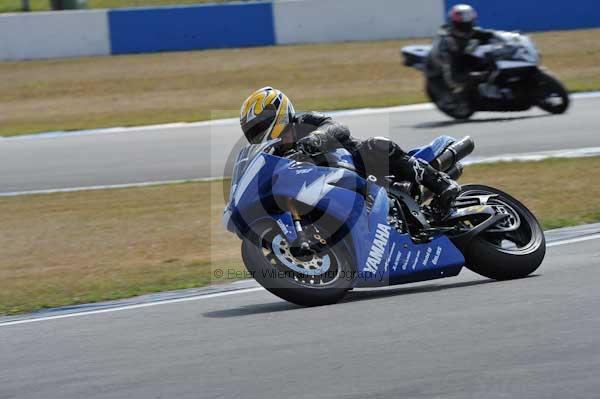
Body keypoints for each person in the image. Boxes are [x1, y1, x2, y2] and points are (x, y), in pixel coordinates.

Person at [239, 87, 460, 210]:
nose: (258, 134)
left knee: (375, 145)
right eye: (252, 131)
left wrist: (316, 138)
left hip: (361, 167)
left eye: (259, 126)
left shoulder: (304, 122)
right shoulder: (275, 155)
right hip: (328, 192)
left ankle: (442, 184)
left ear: (277, 113)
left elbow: (337, 126)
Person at [426, 4, 496, 110]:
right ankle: (457, 97)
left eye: (469, 18)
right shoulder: (446, 38)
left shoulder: (472, 31)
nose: (467, 22)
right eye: (463, 19)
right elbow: (448, 65)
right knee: (476, 77)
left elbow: (490, 35)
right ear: (455, 21)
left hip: (464, 59)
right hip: (451, 68)